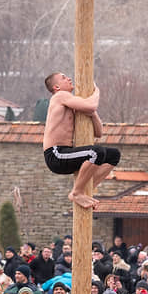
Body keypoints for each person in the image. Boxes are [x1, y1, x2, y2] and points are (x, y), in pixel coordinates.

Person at [42, 72, 121, 209]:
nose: (68, 78)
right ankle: (77, 192)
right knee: (96, 152)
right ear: (56, 87)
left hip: (66, 153)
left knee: (113, 155)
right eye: (63, 78)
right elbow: (91, 106)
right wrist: (96, 92)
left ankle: (86, 190)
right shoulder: (60, 96)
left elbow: (98, 132)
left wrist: (93, 114)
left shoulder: (72, 104)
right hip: (56, 154)